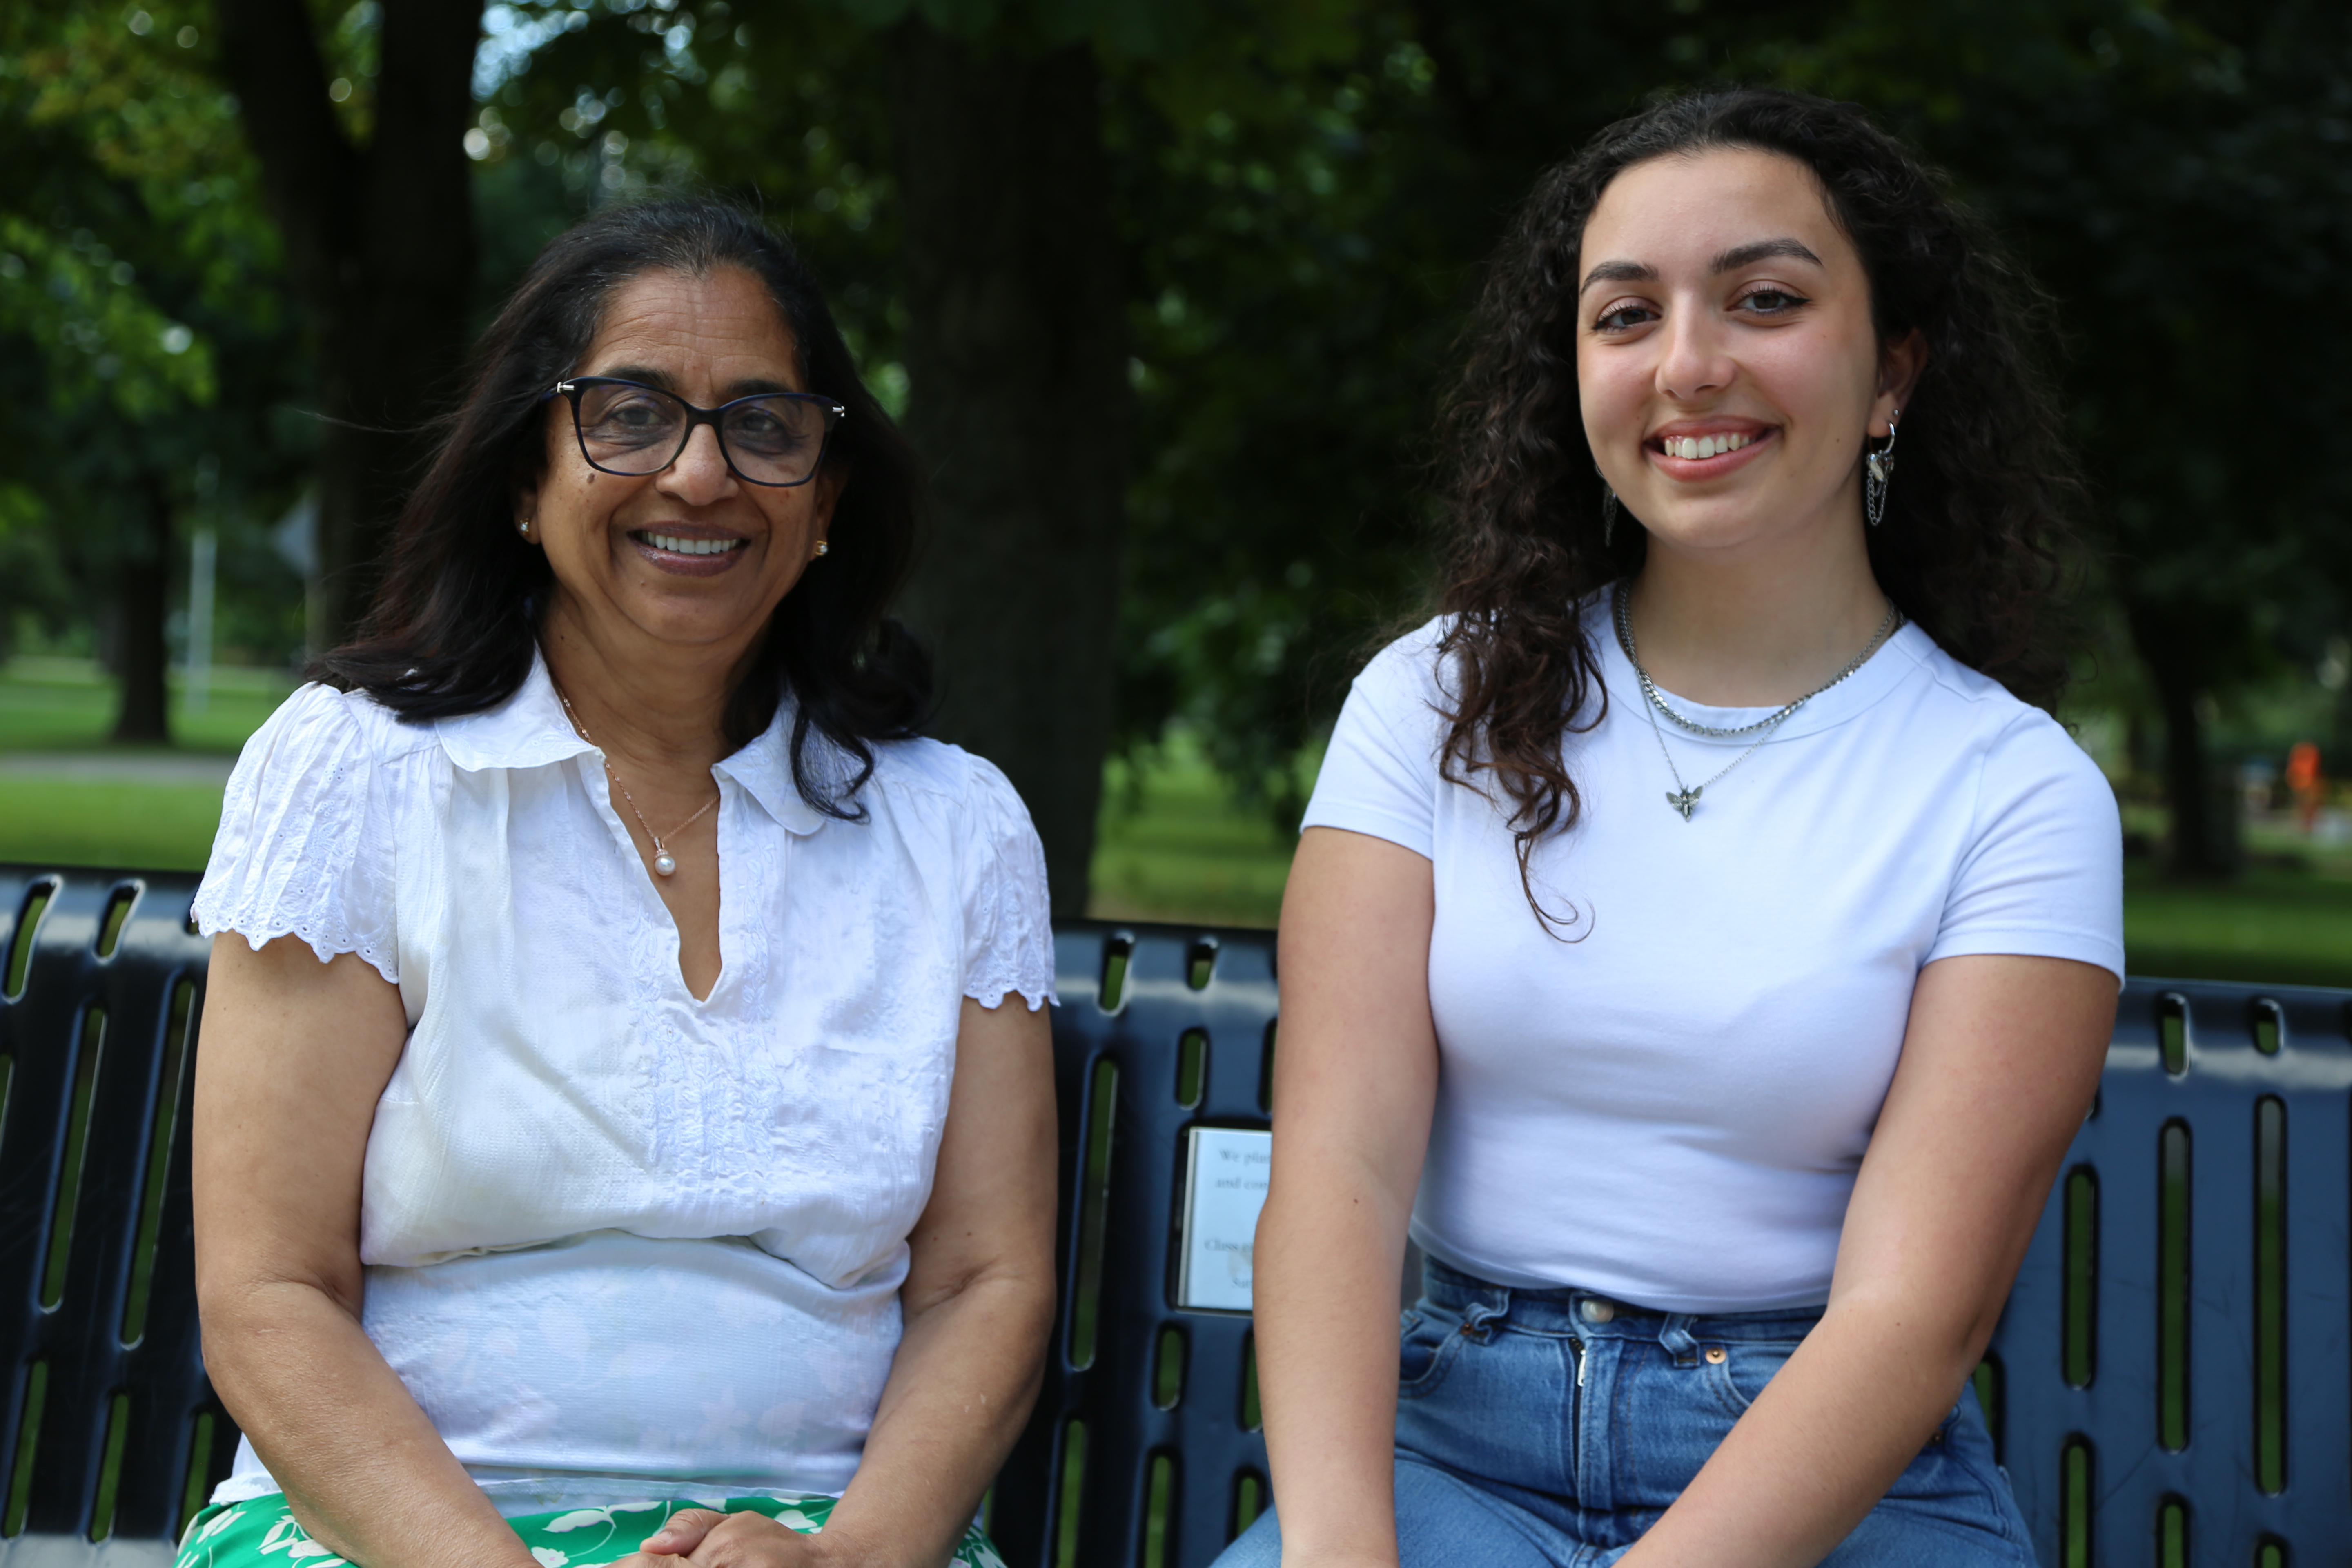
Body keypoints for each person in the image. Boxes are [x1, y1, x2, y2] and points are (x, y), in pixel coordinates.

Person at [1221, 90, 2122, 1568]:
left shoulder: (2011, 790)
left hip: (1827, 1479)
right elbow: (1339, 1167)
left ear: (1894, 371)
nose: (1690, 365)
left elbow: (1916, 1313)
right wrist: (1337, 1549)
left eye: (1765, 300)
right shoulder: (1429, 700)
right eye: (1625, 315)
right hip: (1449, 1454)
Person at [183, 198, 1057, 1568]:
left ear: (825, 498)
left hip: (825, 1538)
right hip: (396, 1534)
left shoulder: (956, 829)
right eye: (630, 414)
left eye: (764, 424)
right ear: (526, 478)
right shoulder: (356, 776)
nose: (701, 476)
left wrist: (848, 1561)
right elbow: (267, 1290)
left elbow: (982, 1282)